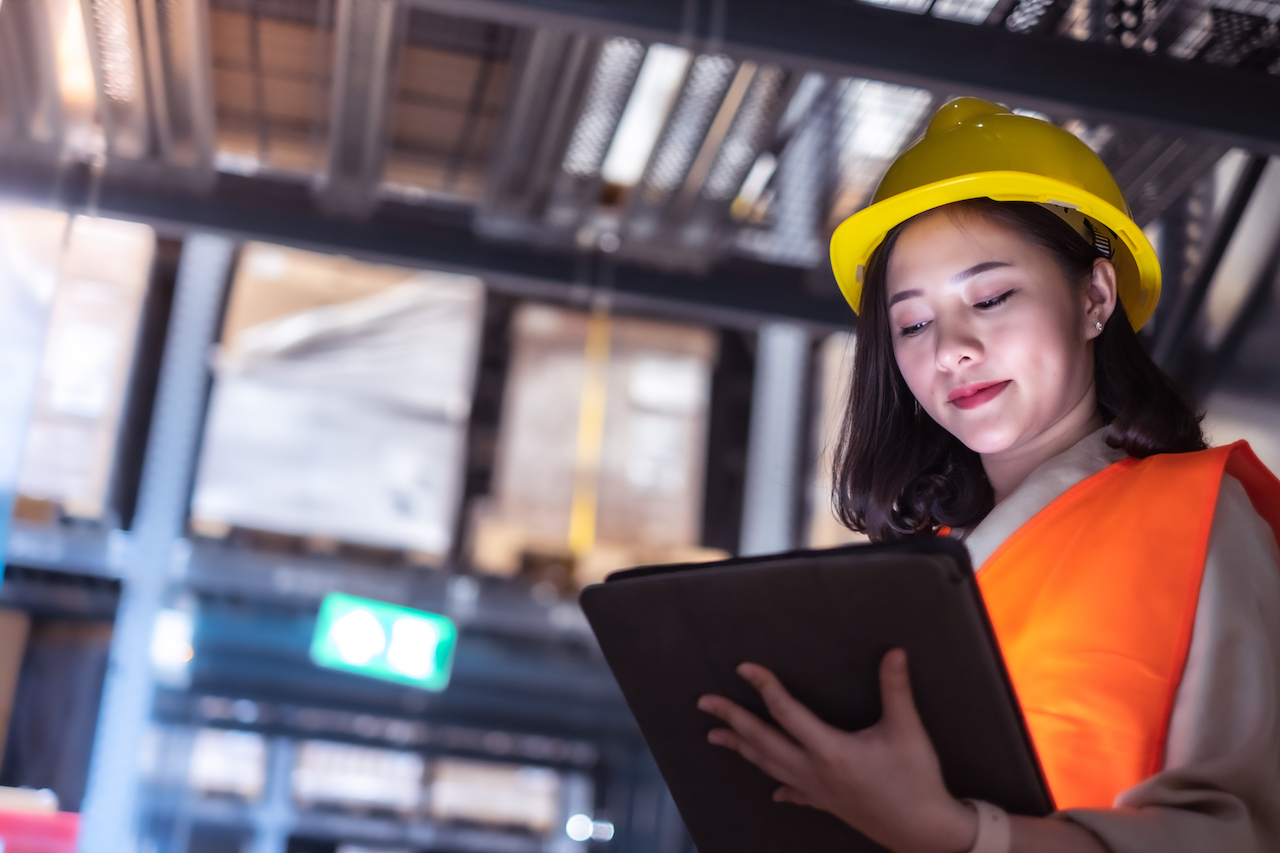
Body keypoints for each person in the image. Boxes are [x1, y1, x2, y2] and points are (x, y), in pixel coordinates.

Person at [696, 98, 1280, 853]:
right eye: (912, 323)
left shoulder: (1198, 514)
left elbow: (1241, 836)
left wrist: (966, 836)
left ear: (1095, 297)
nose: (951, 349)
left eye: (992, 297)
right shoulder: (917, 567)